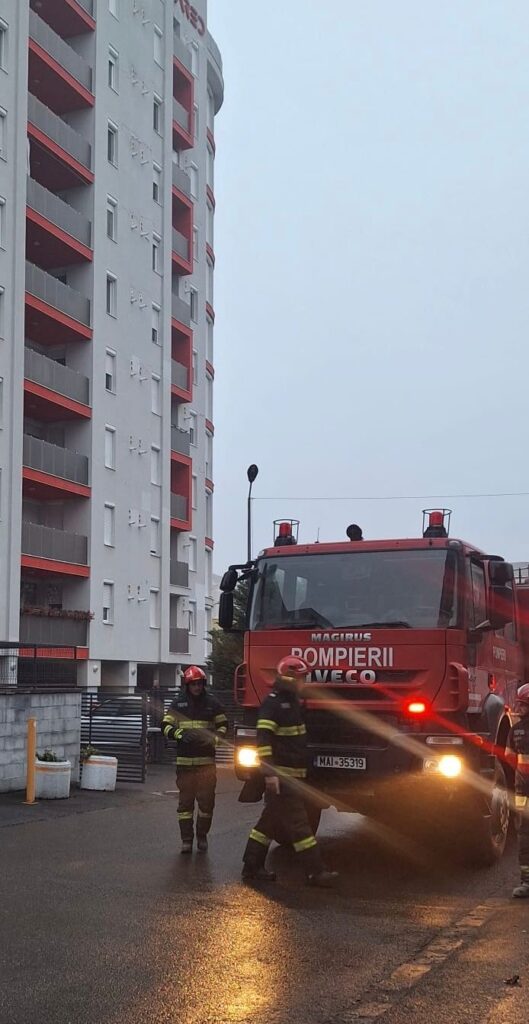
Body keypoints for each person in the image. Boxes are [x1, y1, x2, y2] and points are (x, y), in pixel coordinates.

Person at [242, 655, 339, 887]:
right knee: (300, 825)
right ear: (291, 677)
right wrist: (270, 774)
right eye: (302, 677)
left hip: (291, 776)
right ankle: (315, 872)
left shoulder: (294, 702)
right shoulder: (273, 704)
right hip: (282, 778)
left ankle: (251, 866)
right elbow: (263, 741)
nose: (304, 682)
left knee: (268, 824)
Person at [162, 666, 228, 854]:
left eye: (199, 684)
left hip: (206, 764)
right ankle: (186, 840)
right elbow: (165, 726)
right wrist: (179, 734)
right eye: (194, 684)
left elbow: (224, 726)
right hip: (185, 765)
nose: (197, 687)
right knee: (185, 805)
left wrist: (214, 739)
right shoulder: (178, 704)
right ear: (188, 685)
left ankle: (202, 835)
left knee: (206, 805)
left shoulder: (212, 703)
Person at [506, 683, 529, 897]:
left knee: (524, 834)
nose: (519, 708)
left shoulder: (515, 730)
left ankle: (526, 882)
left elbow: (510, 757)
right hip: (522, 792)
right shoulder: (516, 729)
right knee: (524, 836)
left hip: (522, 790)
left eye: (523, 704)